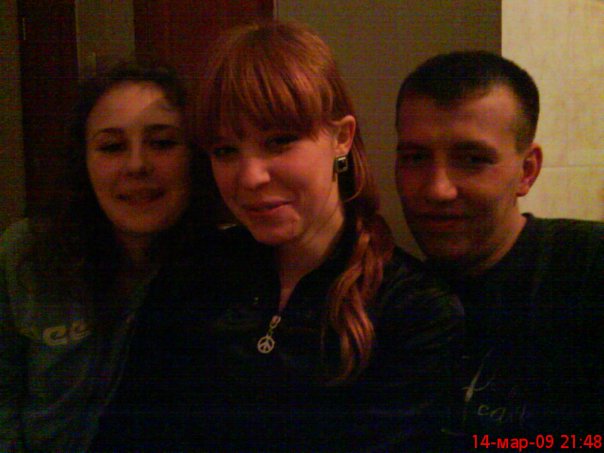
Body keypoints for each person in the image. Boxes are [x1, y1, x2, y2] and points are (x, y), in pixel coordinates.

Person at [154, 21, 464, 451]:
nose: (251, 177)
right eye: (225, 150)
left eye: (279, 141)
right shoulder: (194, 273)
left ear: (341, 138)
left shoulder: (413, 310)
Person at [394, 50, 604, 448]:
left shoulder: (589, 273)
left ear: (527, 171)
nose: (438, 189)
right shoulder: (391, 299)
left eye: (473, 159)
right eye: (415, 158)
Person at [0, 61, 212, 451]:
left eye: (162, 142)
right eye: (112, 147)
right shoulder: (24, 255)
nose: (137, 165)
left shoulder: (228, 271)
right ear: (83, 162)